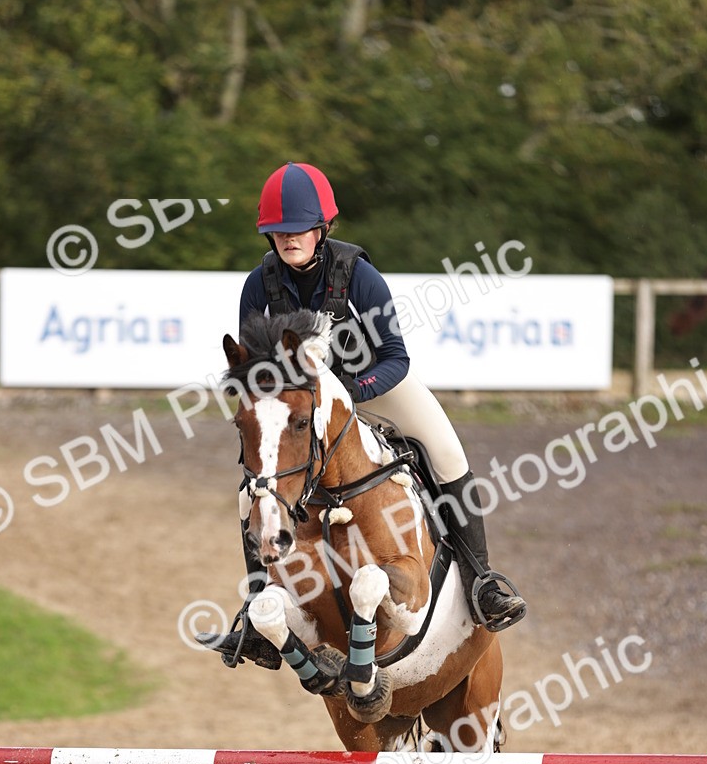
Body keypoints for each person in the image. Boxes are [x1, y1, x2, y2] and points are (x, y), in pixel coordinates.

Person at [208, 161, 526, 669]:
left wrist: (351, 396)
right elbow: (255, 371)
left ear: (322, 228)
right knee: (257, 486)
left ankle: (481, 579)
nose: (289, 238)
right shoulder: (258, 286)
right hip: (299, 405)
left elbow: (396, 357)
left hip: (372, 386)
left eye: (299, 229)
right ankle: (256, 606)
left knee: (446, 452)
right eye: (278, 231)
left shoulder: (357, 275)